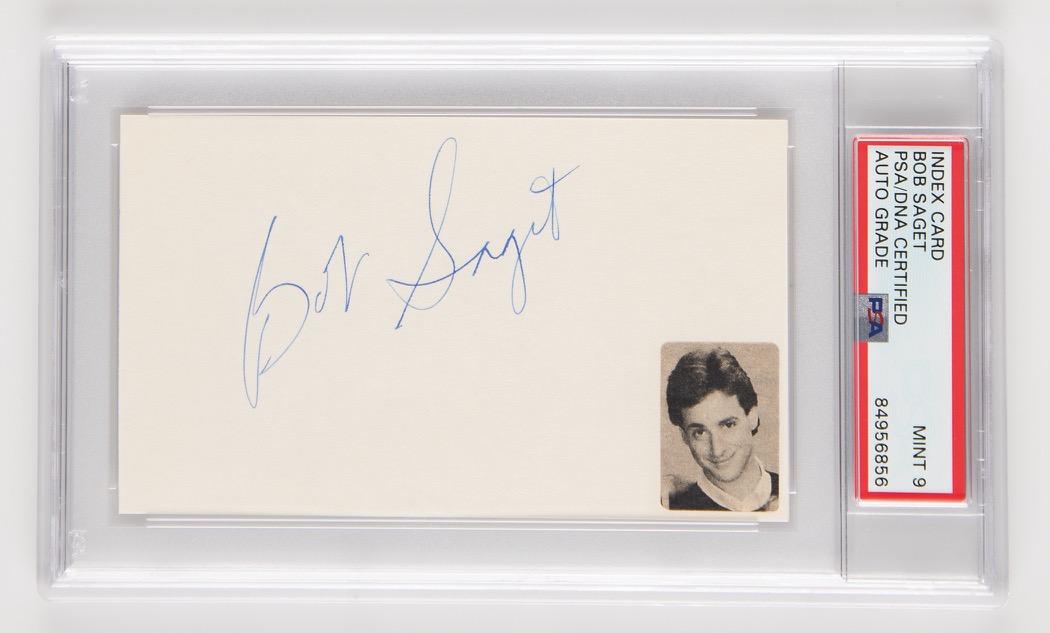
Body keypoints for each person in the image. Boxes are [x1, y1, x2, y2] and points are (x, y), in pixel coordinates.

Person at [665, 347, 778, 511]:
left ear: (752, 417)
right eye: (700, 433)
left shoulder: (793, 489)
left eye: (728, 425)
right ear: (684, 436)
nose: (717, 450)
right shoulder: (673, 507)